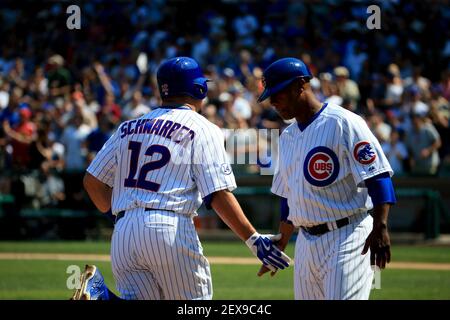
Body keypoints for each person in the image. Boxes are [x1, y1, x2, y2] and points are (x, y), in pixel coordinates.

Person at [72, 57, 290, 300]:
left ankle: (101, 296)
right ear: (199, 88)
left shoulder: (128, 127)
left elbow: (92, 181)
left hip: (124, 231)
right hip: (168, 227)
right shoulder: (202, 128)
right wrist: (253, 239)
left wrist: (120, 214)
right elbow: (217, 194)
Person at [256, 58, 396, 300]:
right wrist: (281, 243)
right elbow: (288, 197)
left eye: (277, 93)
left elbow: (377, 175)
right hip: (306, 243)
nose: (273, 102)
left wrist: (381, 226)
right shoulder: (287, 136)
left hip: (347, 235)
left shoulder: (344, 122)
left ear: (300, 85)